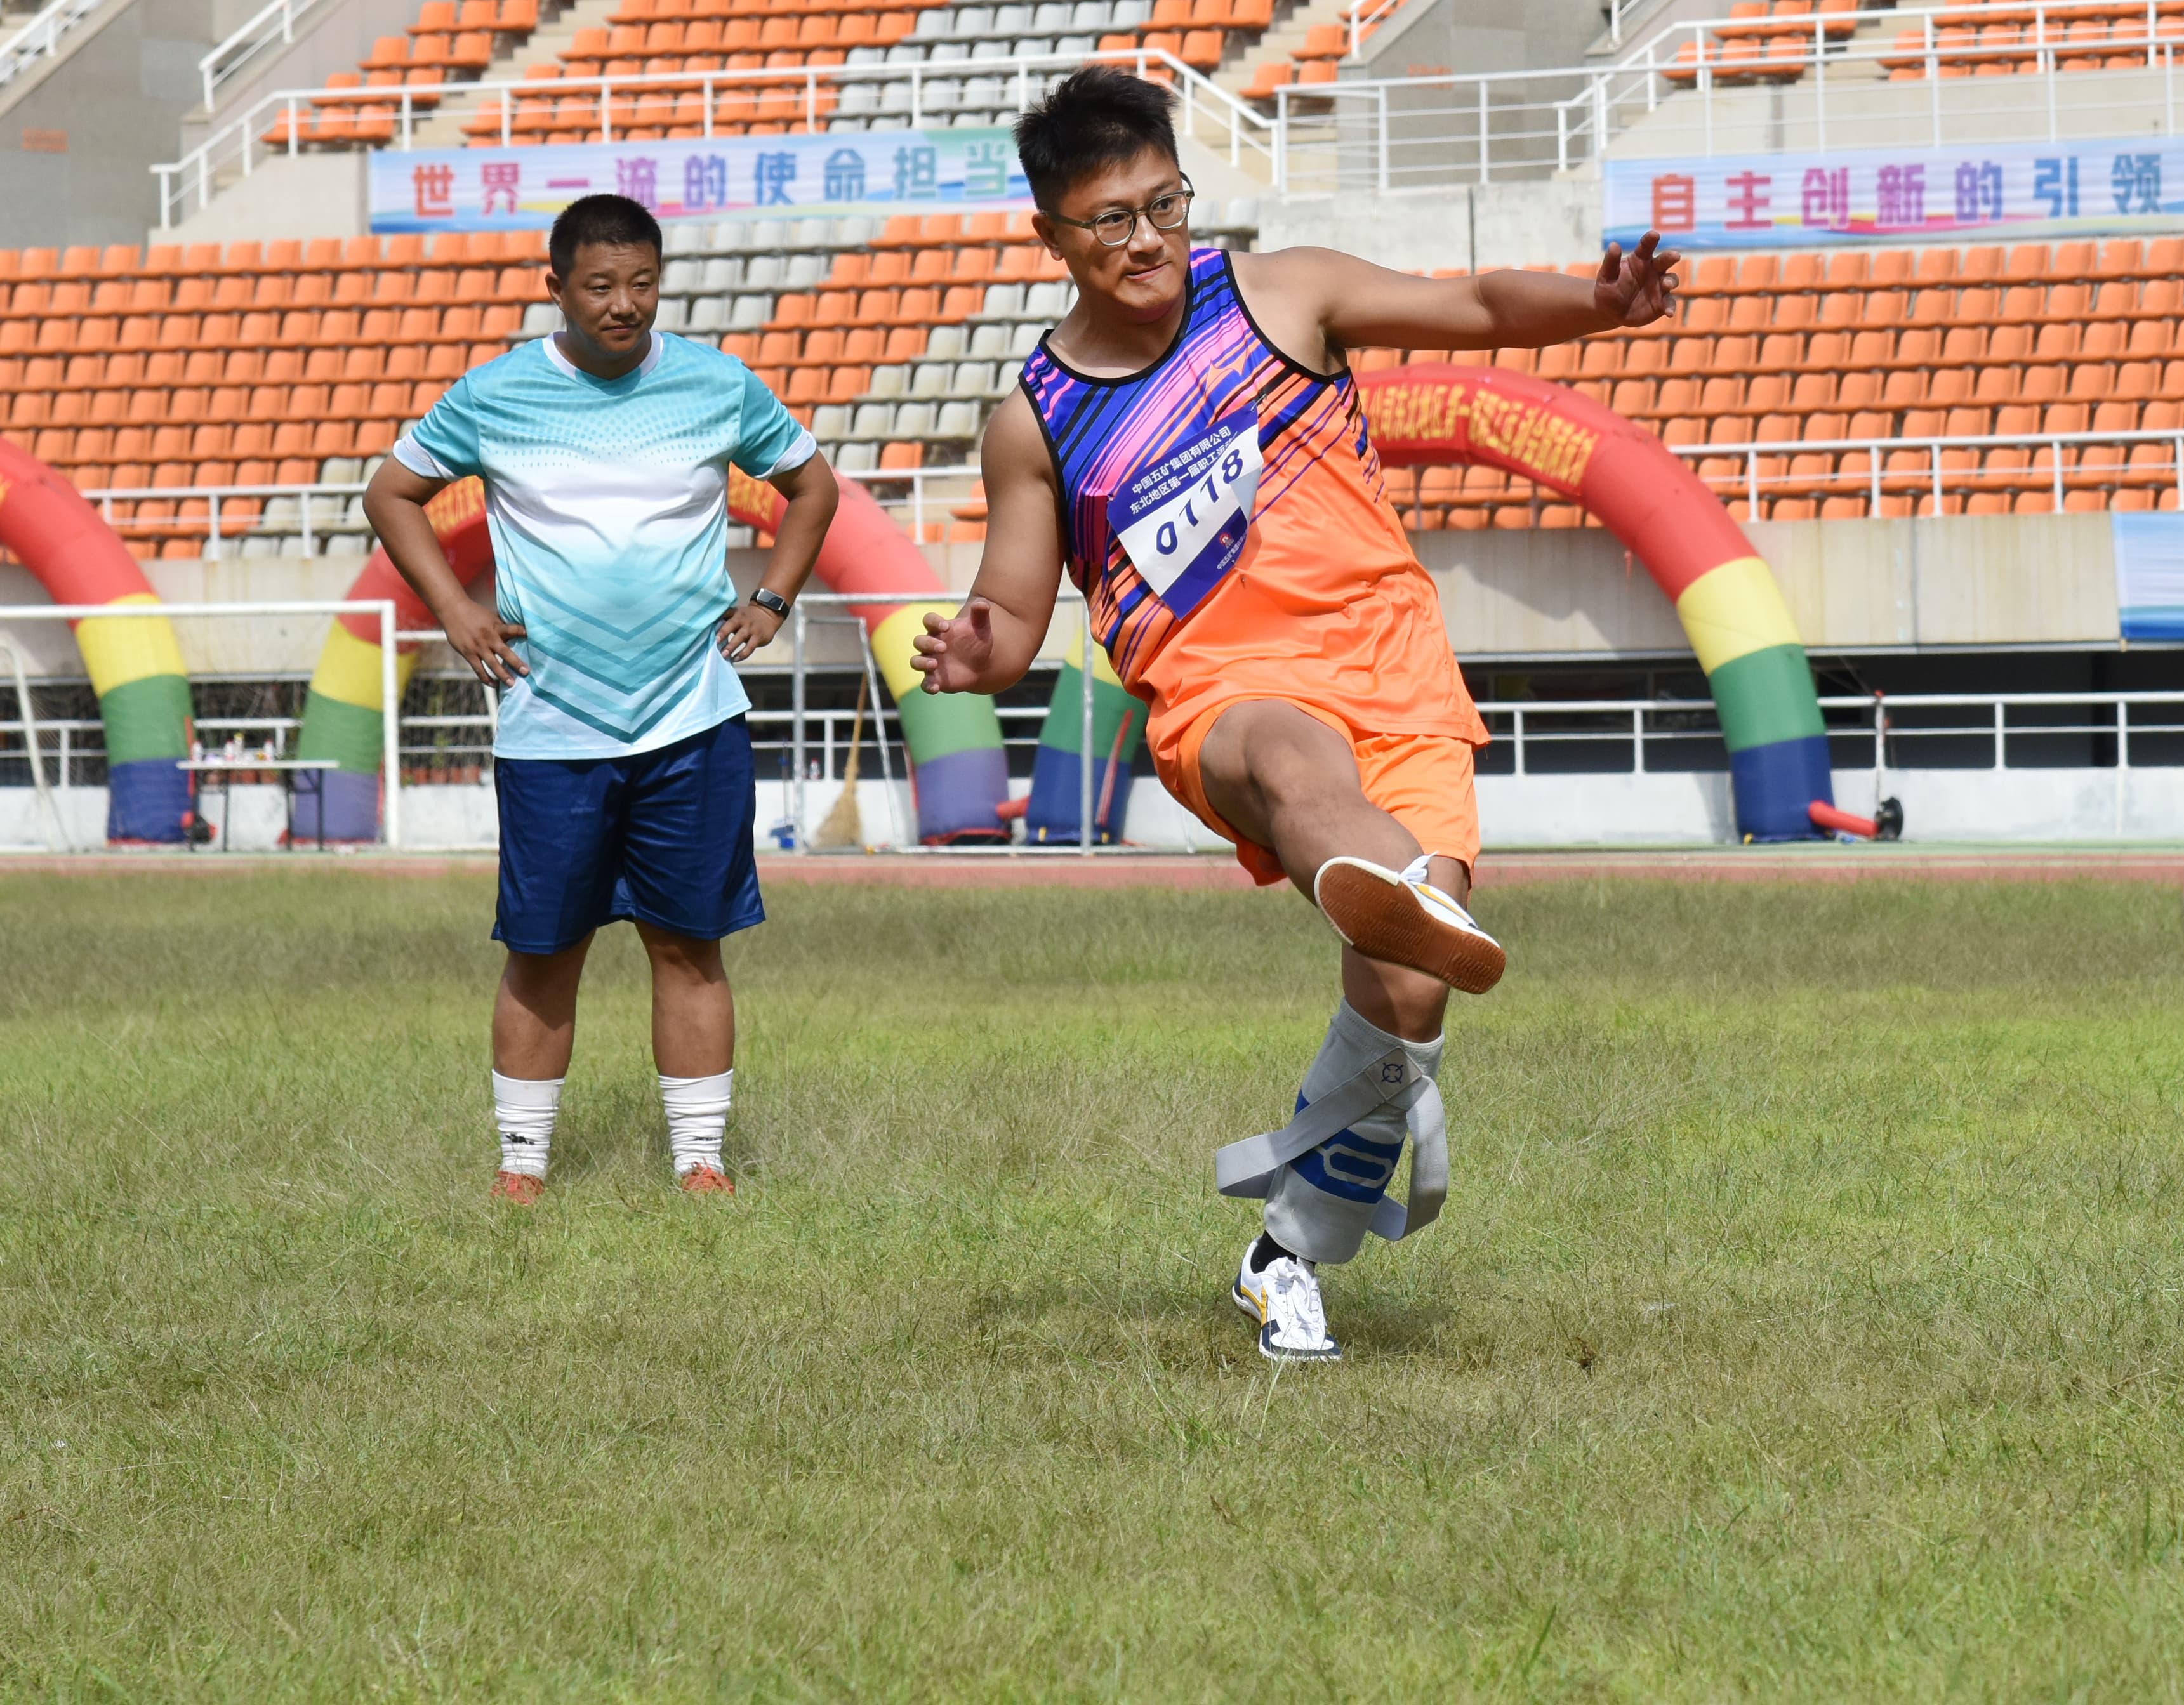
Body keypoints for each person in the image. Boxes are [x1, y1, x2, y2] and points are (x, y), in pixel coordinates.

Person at [915, 67, 1678, 1363]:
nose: (1147, 239)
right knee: (1290, 754)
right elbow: (1012, 616)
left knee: (1409, 989)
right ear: (1050, 234)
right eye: (1111, 220)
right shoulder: (1034, 422)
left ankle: (1288, 1254)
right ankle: (1397, 887)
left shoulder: (1283, 294)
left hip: (1396, 664)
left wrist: (1597, 306)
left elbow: (1478, 307)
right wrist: (974, 651)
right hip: (1222, 692)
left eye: (1165, 204)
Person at [364, 192, 839, 1203]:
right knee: (544, 951)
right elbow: (390, 492)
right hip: (551, 728)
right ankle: (521, 1169)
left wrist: (770, 601)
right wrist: (455, 609)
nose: (624, 304)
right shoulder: (497, 394)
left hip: (692, 720)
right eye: (600, 286)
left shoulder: (717, 384)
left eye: (643, 284)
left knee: (689, 946)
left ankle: (701, 1165)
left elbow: (814, 486)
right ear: (557, 288)